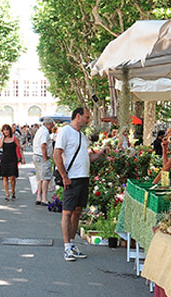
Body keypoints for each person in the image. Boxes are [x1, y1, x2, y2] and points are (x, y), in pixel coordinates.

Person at [53, 107, 107, 262]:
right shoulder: (65, 131)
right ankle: (66, 247)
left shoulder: (82, 136)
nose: (88, 120)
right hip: (72, 178)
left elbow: (86, 158)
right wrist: (64, 176)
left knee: (77, 212)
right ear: (78, 116)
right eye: (87, 117)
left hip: (83, 177)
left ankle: (71, 244)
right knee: (67, 212)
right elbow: (57, 154)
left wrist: (100, 154)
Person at [32, 118, 56, 206]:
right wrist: (46, 157)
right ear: (49, 124)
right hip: (42, 157)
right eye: (52, 125)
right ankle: (44, 199)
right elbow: (43, 145)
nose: (52, 127)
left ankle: (39, 197)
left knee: (40, 179)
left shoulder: (40, 130)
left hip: (37, 156)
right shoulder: (45, 132)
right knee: (46, 178)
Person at [0, 124, 24, 201]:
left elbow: (19, 148)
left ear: (10, 131)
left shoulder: (14, 138)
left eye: (7, 130)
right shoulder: (2, 139)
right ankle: (7, 194)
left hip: (13, 159)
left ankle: (13, 191)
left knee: (12, 177)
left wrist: (22, 158)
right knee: (5, 177)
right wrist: (2, 137)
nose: (6, 131)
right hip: (5, 159)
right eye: (4, 130)